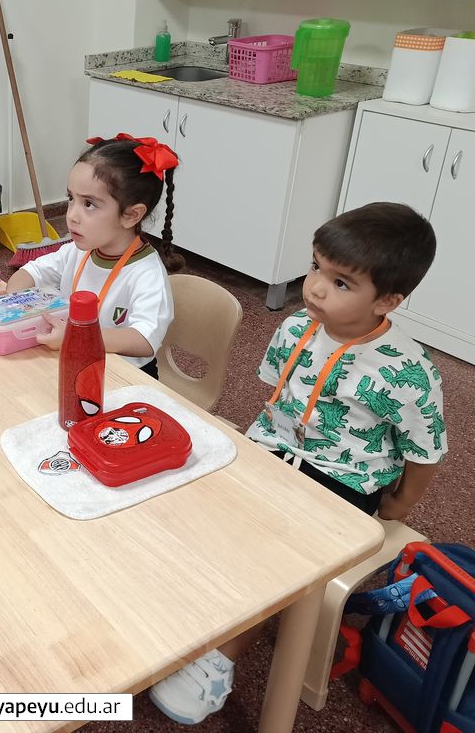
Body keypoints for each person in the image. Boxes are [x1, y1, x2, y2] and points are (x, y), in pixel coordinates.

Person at [149, 202, 448, 725]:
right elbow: (279, 400)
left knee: (275, 554)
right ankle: (189, 606)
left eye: (341, 282)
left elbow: (425, 451)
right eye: (315, 267)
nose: (315, 288)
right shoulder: (295, 328)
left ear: (388, 300)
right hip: (274, 447)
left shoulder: (410, 372)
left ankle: (220, 659)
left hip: (341, 477)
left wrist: (400, 504)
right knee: (195, 498)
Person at [5, 133, 181, 377]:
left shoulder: (147, 274)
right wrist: (13, 300)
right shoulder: (78, 251)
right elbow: (30, 272)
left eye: (89, 204)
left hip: (124, 377)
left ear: (131, 215)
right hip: (76, 360)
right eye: (71, 198)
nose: (71, 215)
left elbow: (143, 339)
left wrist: (76, 337)